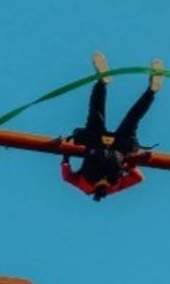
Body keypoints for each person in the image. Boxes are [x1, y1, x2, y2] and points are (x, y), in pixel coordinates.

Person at [61, 52, 164, 201]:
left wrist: (129, 164)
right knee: (96, 111)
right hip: (100, 146)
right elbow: (67, 177)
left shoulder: (111, 188)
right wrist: (65, 158)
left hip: (115, 148)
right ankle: (102, 82)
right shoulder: (86, 187)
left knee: (133, 118)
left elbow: (138, 178)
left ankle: (151, 92)